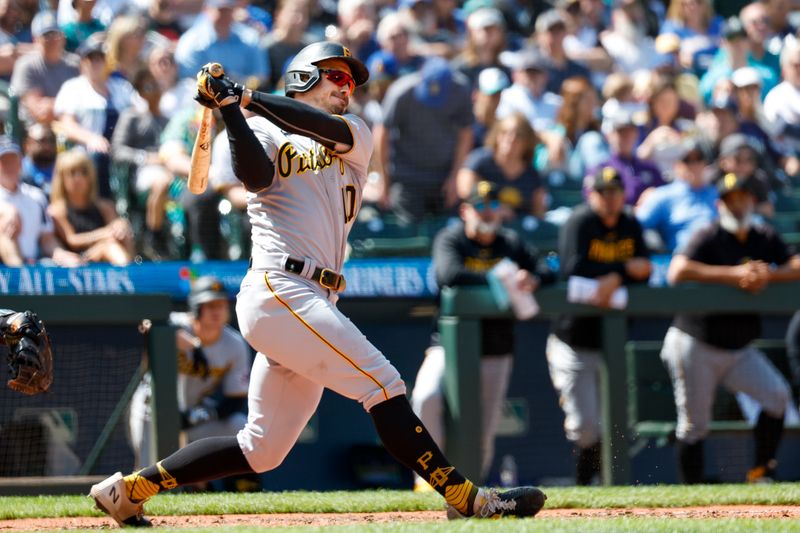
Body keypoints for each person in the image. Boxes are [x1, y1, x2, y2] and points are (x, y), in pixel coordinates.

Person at [90, 41, 546, 527]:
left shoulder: (354, 133)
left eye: (350, 81)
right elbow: (255, 177)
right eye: (337, 77)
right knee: (384, 383)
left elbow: (316, 126)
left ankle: (128, 490)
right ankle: (466, 497)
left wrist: (243, 96)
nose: (347, 88)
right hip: (278, 286)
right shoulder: (261, 127)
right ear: (304, 78)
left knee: (261, 449)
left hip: (313, 296)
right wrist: (232, 111)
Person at [411, 180, 554, 489]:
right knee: (426, 397)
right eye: (479, 206)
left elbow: (547, 269)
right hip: (447, 345)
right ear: (466, 211)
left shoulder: (510, 242)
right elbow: (447, 274)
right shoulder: (452, 238)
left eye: (492, 206)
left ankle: (469, 492)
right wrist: (496, 280)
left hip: (496, 348)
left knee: (482, 429)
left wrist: (532, 277)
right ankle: (428, 482)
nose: (486, 213)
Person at [663, 172, 800, 484]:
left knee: (776, 396)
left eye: (741, 197)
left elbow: (796, 264)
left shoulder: (762, 236)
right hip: (696, 341)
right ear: (719, 204)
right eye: (730, 199)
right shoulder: (709, 234)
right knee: (694, 425)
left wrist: (767, 276)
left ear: (751, 200)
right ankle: (691, 495)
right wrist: (733, 273)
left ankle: (761, 472)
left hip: (738, 348)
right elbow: (677, 270)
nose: (737, 205)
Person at [548, 165, 652, 485]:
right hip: (573, 340)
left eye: (615, 192)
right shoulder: (580, 222)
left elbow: (644, 268)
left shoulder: (630, 224)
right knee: (585, 427)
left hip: (612, 344)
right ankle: (584, 488)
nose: (610, 199)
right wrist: (621, 270)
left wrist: (615, 273)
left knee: (612, 427)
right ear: (592, 194)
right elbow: (572, 268)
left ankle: (598, 491)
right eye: (603, 192)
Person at [128, 276, 250, 471]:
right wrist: (184, 341)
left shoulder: (234, 344)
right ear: (196, 307)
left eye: (221, 304)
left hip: (194, 415)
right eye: (210, 305)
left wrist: (196, 416)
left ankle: (237, 483)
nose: (217, 311)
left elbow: (235, 400)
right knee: (147, 470)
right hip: (152, 411)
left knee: (240, 425)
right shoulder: (176, 323)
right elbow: (145, 324)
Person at [374, 56, 474, 220]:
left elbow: (466, 133)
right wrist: (384, 181)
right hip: (407, 177)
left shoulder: (461, 89)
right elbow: (381, 133)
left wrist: (455, 176)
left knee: (448, 227)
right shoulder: (401, 92)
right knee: (408, 234)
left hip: (444, 176)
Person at [53, 35, 136, 199]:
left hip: (122, 148)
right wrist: (91, 138)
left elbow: (140, 113)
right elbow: (67, 124)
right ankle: (106, 207)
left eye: (100, 58)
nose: (95, 63)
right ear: (83, 62)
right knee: (97, 158)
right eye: (91, 58)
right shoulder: (73, 88)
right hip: (88, 151)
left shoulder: (121, 87)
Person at [0, 136, 82, 267]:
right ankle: (19, 276)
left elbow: (46, 239)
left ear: (21, 162)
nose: (9, 166)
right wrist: (6, 210)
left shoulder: (36, 196)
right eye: (4, 161)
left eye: (13, 160)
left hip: (32, 265)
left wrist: (61, 254)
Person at [48, 149, 134, 266]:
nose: (78, 178)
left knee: (122, 237)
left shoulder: (105, 206)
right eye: (72, 173)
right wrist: (105, 233)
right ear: (62, 179)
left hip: (104, 255)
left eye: (84, 173)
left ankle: (130, 270)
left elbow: (116, 226)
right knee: (108, 246)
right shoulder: (57, 210)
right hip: (76, 261)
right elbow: (72, 240)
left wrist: (121, 226)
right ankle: (129, 275)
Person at [635, 137, 717, 254]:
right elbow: (635, 224)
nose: (693, 165)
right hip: (686, 262)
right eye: (687, 160)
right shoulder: (662, 195)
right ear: (676, 165)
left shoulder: (717, 193)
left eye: (698, 159)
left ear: (705, 163)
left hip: (720, 258)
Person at [457, 113, 546, 220]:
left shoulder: (531, 174)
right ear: (497, 135)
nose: (511, 139)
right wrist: (495, 209)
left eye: (518, 135)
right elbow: (464, 190)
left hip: (518, 232)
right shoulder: (480, 161)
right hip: (483, 225)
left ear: (527, 142)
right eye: (505, 132)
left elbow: (539, 212)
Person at [9, 9, 79, 127]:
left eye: (55, 34)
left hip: (69, 126)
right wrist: (66, 105)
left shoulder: (74, 64)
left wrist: (53, 104)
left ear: (63, 37)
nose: (52, 40)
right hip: (35, 131)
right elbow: (39, 112)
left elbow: (82, 103)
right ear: (35, 40)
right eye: (46, 35)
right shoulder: (26, 65)